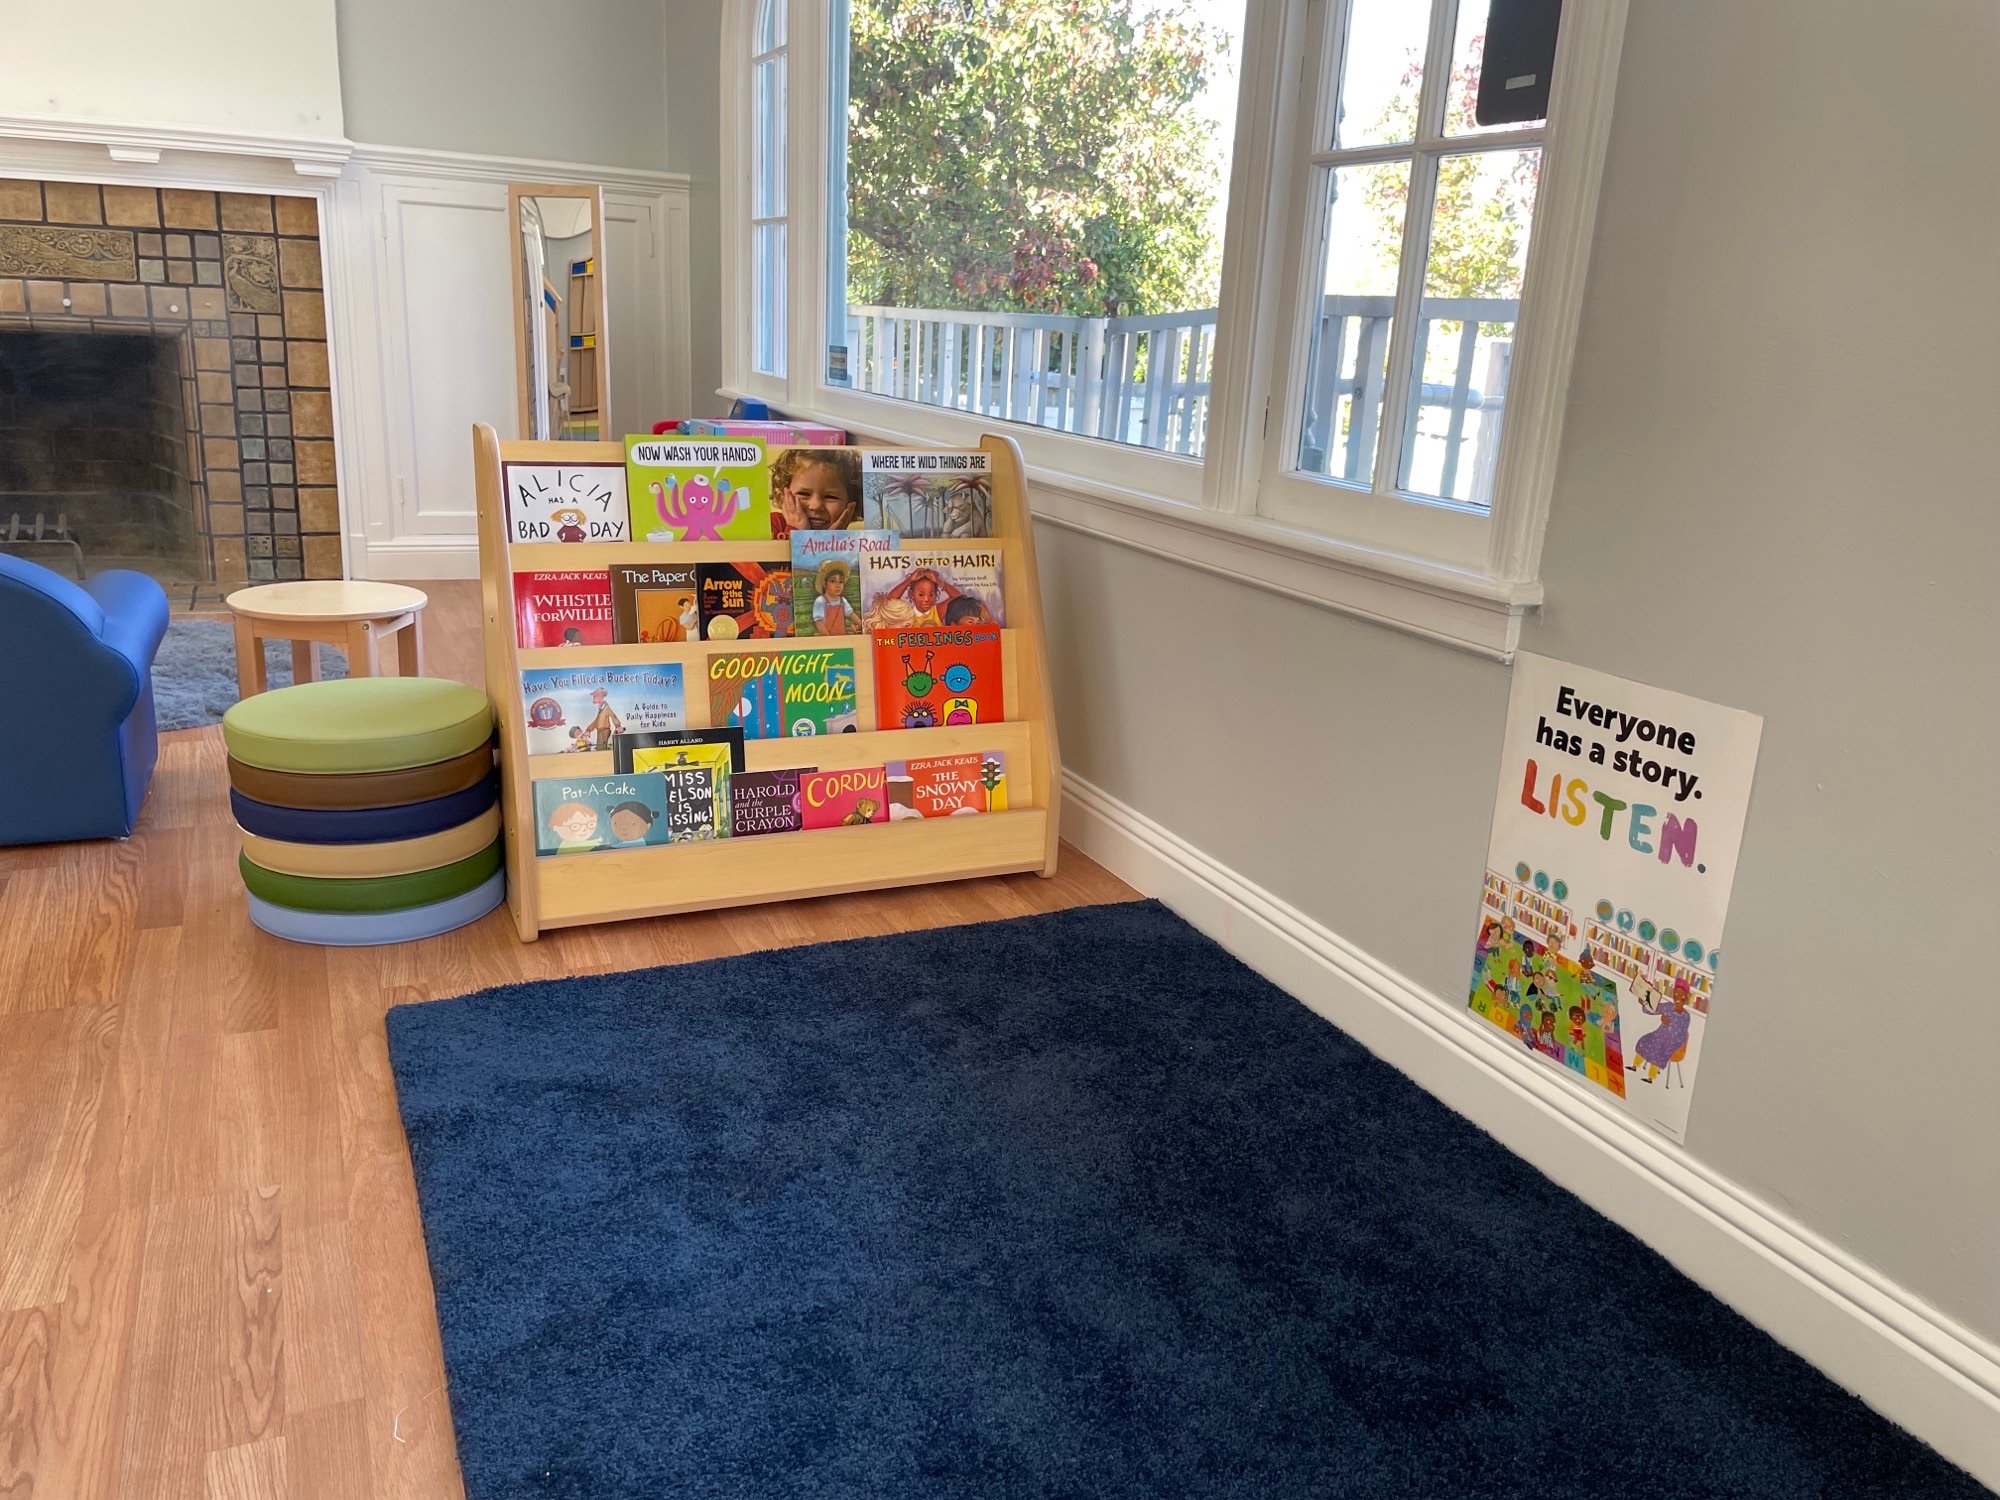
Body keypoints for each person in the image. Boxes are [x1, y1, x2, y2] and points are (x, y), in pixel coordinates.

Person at [772, 449, 862, 532]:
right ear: (782, 498)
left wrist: (831, 542)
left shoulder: (855, 543)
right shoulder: (772, 525)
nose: (816, 506)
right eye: (803, 494)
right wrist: (796, 531)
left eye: (830, 497)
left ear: (852, 503)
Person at [812, 561, 856, 635]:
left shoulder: (842, 600)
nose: (838, 585)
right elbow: (819, 623)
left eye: (841, 581)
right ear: (824, 583)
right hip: (827, 639)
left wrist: (861, 624)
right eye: (833, 581)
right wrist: (829, 639)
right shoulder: (820, 601)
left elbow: (851, 613)